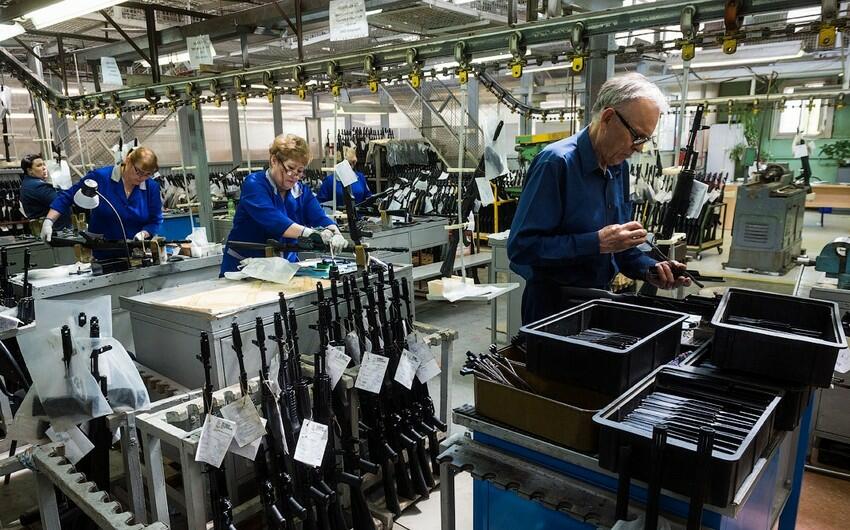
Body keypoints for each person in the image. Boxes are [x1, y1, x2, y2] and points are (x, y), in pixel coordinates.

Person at [507, 73, 690, 325]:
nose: (639, 147)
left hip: (598, 300)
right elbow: (522, 249)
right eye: (637, 136)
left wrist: (649, 269)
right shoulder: (556, 164)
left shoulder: (618, 167)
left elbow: (620, 248)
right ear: (608, 118)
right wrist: (596, 242)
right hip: (552, 306)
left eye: (645, 140)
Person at [220, 133, 348, 275]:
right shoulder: (254, 185)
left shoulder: (301, 192)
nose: (295, 176)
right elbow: (275, 222)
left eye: (300, 171)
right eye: (290, 168)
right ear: (274, 160)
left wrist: (336, 234)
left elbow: (320, 218)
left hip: (282, 269)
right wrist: (311, 233)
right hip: (244, 268)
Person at [41, 147, 163, 254]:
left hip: (137, 252)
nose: (142, 178)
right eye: (139, 172)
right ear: (128, 161)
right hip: (103, 252)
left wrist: (144, 233)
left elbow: (155, 220)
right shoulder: (101, 177)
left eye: (148, 174)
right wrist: (49, 221)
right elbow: (67, 196)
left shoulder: (151, 187)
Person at [19, 154, 70, 229]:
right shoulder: (37, 186)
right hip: (55, 229)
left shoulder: (27, 183)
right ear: (30, 170)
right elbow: (61, 202)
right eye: (39, 165)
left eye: (44, 164)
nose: (44, 168)